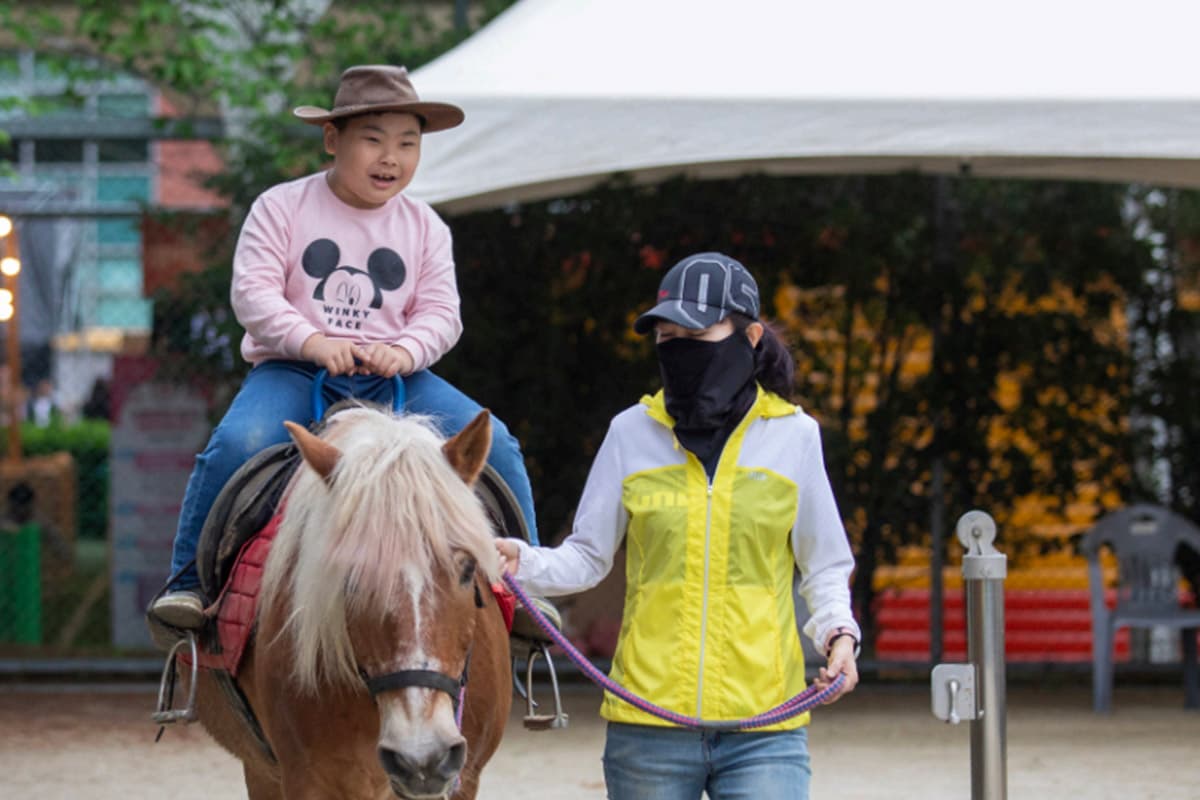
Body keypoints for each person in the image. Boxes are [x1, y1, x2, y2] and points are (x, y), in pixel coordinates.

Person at [151, 65, 540, 629]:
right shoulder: (282, 207)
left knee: (497, 444)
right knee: (239, 441)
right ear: (333, 140)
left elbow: (441, 312)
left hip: (395, 377)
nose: (392, 158)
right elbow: (253, 293)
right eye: (374, 140)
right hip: (294, 370)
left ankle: (523, 586)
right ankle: (188, 584)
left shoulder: (425, 226)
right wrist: (311, 340)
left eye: (408, 143)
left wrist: (405, 350)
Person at [496, 252, 860, 800]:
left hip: (766, 725)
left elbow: (825, 563)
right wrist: (515, 560)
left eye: (696, 331)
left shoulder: (796, 436)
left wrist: (839, 634)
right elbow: (586, 558)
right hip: (648, 728)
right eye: (666, 335)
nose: (678, 347)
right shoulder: (629, 433)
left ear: (751, 336)